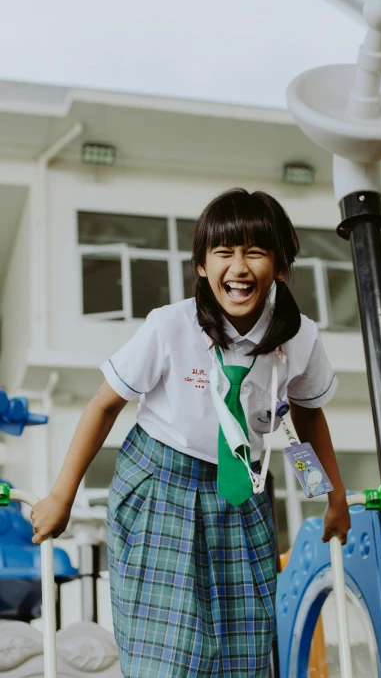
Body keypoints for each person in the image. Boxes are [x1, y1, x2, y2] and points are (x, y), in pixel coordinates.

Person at [30, 188, 351, 678]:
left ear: (281, 268)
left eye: (255, 253)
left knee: (244, 650)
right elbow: (104, 405)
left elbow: (303, 420)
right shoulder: (170, 327)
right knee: (170, 654)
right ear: (202, 265)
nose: (238, 268)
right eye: (223, 253)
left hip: (241, 491)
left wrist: (333, 498)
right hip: (161, 483)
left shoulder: (300, 338)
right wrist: (61, 496)